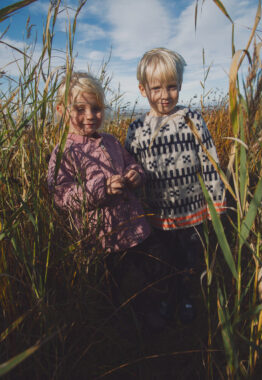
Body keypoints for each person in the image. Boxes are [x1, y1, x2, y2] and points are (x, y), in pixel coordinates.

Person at [47, 71, 170, 330]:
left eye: (96, 108)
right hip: (102, 239)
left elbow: (132, 164)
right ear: (61, 110)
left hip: (135, 228)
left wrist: (136, 175)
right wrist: (101, 187)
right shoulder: (64, 152)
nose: (90, 115)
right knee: (115, 287)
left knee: (147, 273)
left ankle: (152, 312)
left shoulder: (111, 141)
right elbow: (62, 196)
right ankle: (122, 329)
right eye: (80, 109)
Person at [125, 48, 226, 323]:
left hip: (193, 213)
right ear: (143, 89)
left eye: (172, 87)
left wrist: (216, 201)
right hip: (158, 217)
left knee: (191, 263)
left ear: (180, 86)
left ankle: (188, 301)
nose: (164, 95)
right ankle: (168, 300)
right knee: (164, 264)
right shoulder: (136, 129)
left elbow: (209, 160)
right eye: (156, 87)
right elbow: (132, 167)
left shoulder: (191, 119)